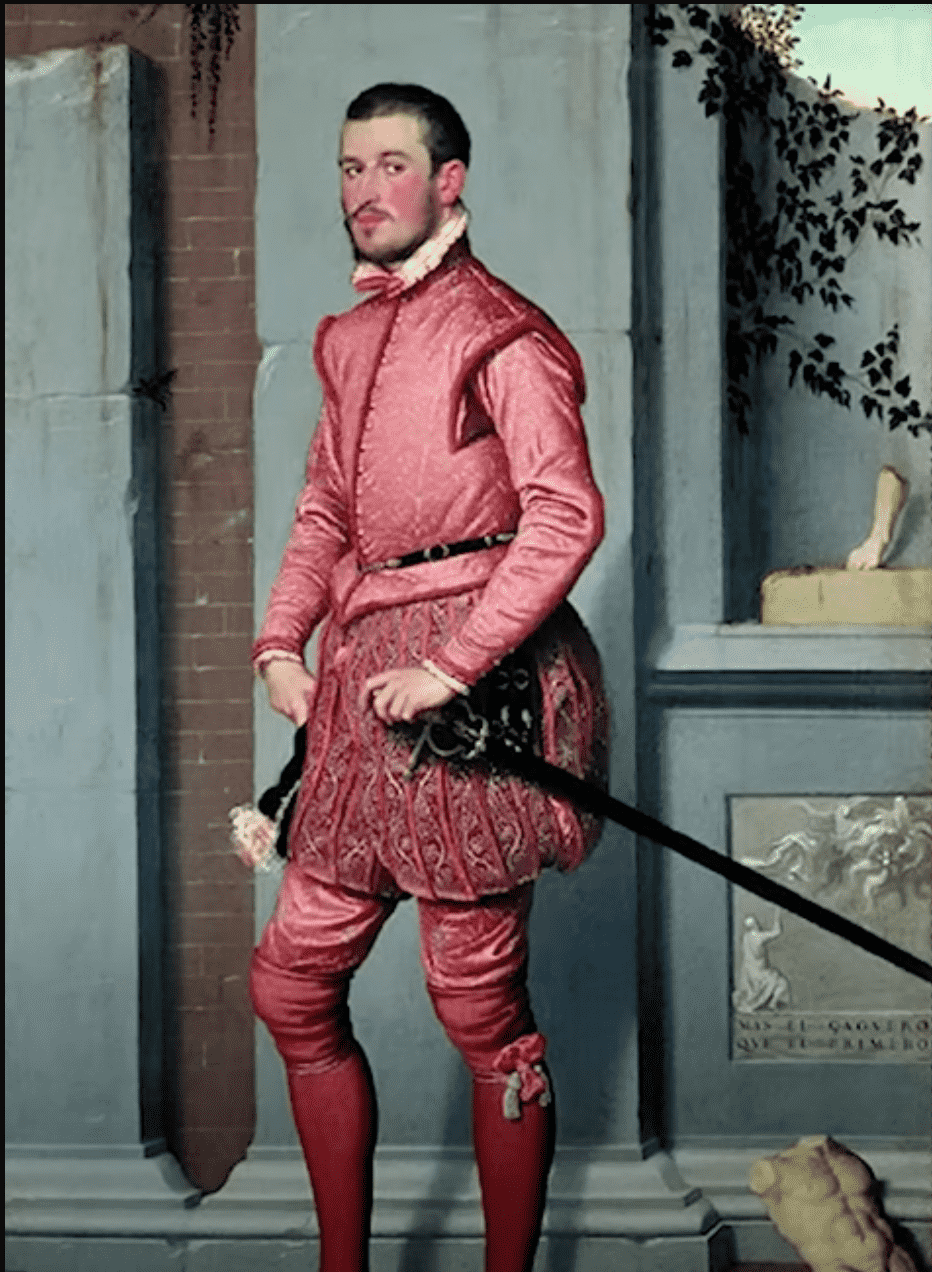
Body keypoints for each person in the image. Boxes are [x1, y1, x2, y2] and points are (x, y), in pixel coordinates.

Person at [249, 82, 608, 1272]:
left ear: (448, 181)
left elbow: (564, 517)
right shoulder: (348, 339)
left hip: (476, 689)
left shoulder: (503, 331)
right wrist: (280, 643)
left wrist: (451, 665)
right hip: (361, 685)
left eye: (390, 166)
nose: (364, 191)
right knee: (291, 987)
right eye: (350, 168)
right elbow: (324, 510)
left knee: (479, 1014)